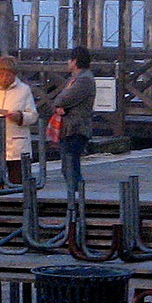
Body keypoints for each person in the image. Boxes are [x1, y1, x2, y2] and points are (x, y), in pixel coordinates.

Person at [0, 56, 38, 174]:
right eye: (1, 74)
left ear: (14, 74)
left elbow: (33, 116)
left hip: (17, 148)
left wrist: (20, 117)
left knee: (17, 181)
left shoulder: (24, 90)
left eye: (8, 75)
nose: (4, 78)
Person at [50, 46, 96, 198]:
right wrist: (60, 105)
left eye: (69, 60)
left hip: (76, 128)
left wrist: (60, 105)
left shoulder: (84, 80)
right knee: (68, 165)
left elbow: (62, 99)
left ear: (75, 61)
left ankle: (77, 197)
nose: (67, 62)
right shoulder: (75, 79)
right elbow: (62, 99)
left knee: (70, 165)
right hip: (69, 128)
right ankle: (75, 196)